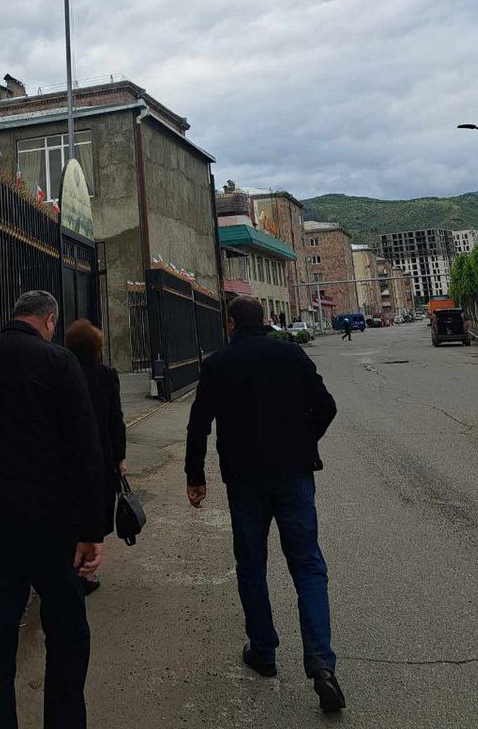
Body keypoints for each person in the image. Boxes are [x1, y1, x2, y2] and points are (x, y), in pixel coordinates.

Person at [0, 291, 105, 729]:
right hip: (52, 527)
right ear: (49, 320)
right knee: (68, 636)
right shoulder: (59, 364)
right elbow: (87, 449)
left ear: (14, 317)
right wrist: (91, 531)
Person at [184, 295, 345, 714]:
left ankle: (264, 650)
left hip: (244, 480)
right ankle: (322, 664)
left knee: (252, 564)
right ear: (266, 322)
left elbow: (199, 422)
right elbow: (326, 407)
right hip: (293, 476)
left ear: (231, 324)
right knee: (308, 564)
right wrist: (304, 442)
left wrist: (195, 476)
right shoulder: (291, 355)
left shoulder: (218, 363)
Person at [65, 318, 127, 593]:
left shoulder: (64, 373)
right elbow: (116, 420)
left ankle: (71, 564)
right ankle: (86, 573)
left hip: (69, 456)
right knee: (95, 512)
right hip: (101, 456)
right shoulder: (106, 375)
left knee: (72, 510)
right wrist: (120, 457)